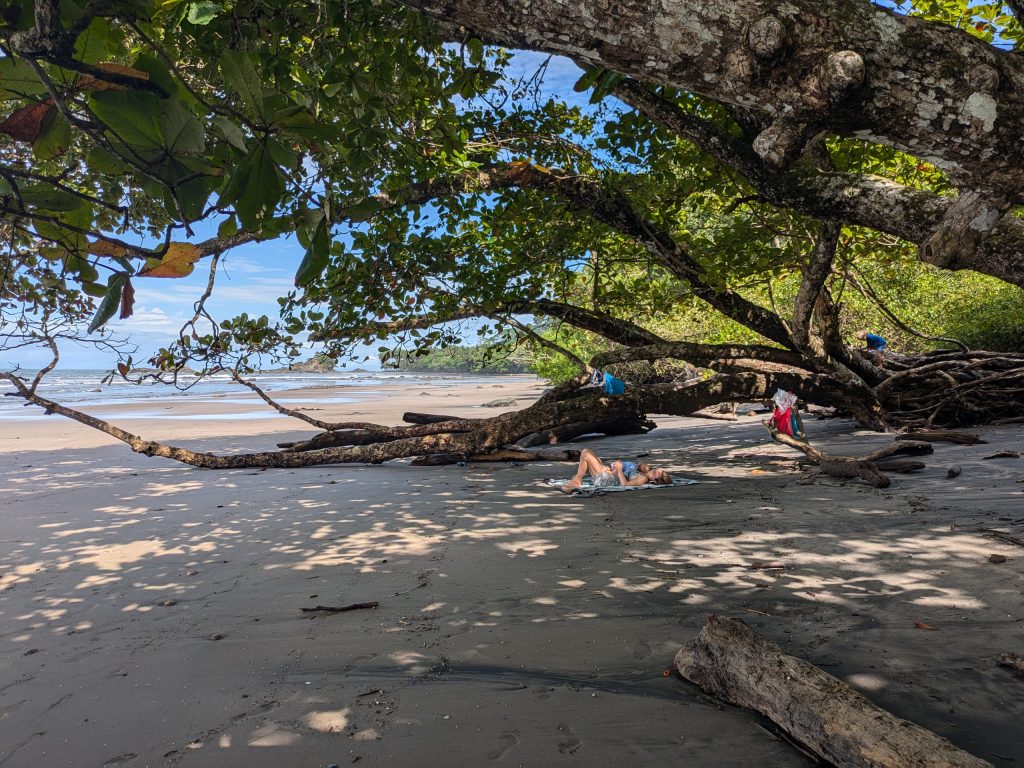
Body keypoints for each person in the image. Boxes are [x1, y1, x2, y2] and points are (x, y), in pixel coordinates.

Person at [561, 448, 671, 492]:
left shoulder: (643, 479)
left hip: (606, 480)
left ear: (654, 480)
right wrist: (616, 468)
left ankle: (577, 480)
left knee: (585, 454)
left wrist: (618, 469)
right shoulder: (643, 472)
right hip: (610, 475)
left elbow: (625, 484)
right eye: (655, 469)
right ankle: (577, 480)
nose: (653, 471)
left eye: (655, 473)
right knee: (587, 452)